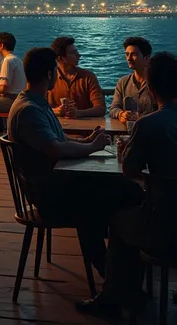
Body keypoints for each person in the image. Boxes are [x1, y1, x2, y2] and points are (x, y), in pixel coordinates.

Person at [8, 47, 143, 277]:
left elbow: (57, 140)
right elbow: (54, 149)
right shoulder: (29, 111)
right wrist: (91, 147)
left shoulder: (36, 103)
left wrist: (85, 140)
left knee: (125, 191)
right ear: (49, 74)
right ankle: (116, 274)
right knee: (121, 197)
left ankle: (117, 273)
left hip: (59, 182)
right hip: (48, 193)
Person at [77, 52, 177, 319]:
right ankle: (131, 292)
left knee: (118, 221)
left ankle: (114, 296)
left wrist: (127, 153)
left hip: (165, 227)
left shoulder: (150, 124)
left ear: (151, 88)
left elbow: (129, 169)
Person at [48, 36, 105, 118]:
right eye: (73, 53)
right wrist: (55, 111)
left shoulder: (88, 77)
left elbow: (101, 108)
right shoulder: (49, 78)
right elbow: (38, 107)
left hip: (85, 129)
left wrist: (79, 113)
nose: (79, 55)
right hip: (57, 129)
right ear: (61, 59)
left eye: (76, 51)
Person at [109, 36, 156, 124]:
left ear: (146, 58)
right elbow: (113, 108)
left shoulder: (156, 82)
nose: (129, 58)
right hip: (126, 134)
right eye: (127, 54)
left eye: (134, 54)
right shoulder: (123, 82)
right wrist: (121, 114)